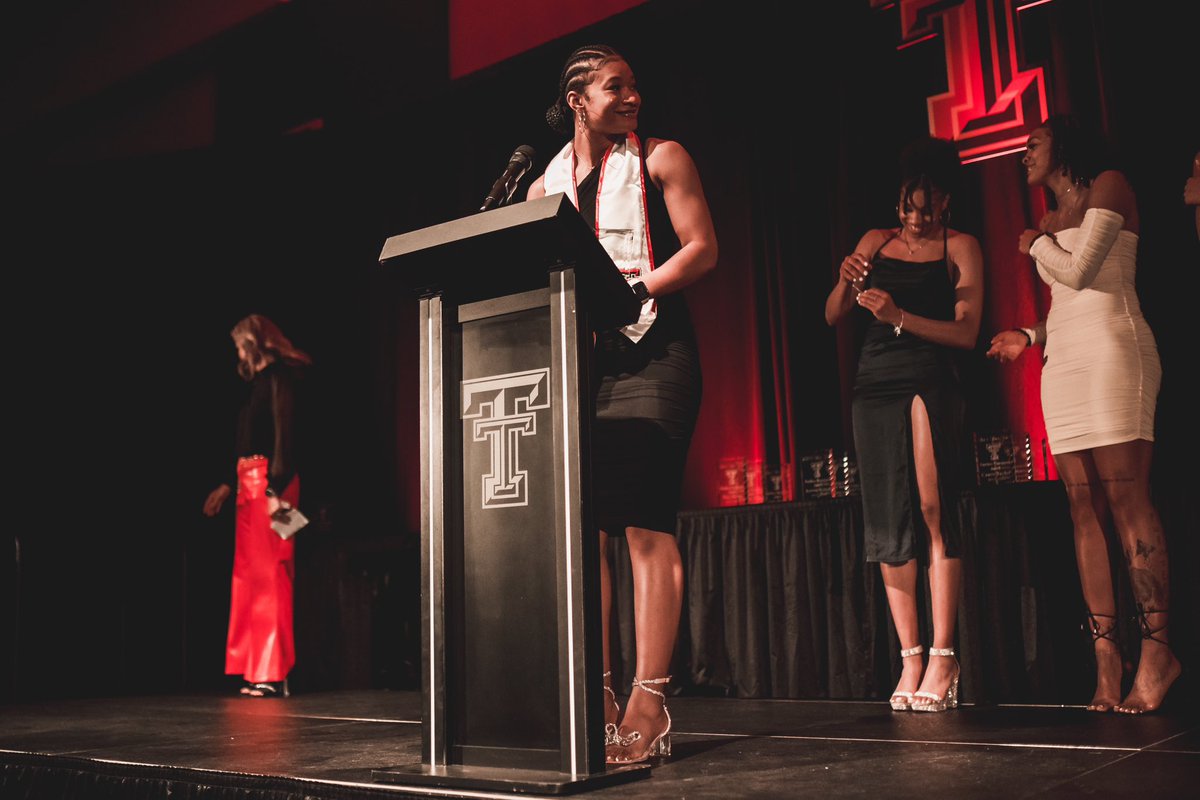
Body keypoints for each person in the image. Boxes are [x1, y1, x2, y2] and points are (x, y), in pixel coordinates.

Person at [527, 44, 718, 763]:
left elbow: (702, 248)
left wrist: (636, 290)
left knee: (642, 523)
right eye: (616, 86)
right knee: (589, 533)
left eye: (635, 84)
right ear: (578, 99)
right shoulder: (542, 184)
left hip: (655, 356)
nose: (632, 96)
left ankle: (651, 698)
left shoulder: (663, 158)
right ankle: (598, 692)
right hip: (587, 366)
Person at [986, 115, 1180, 714]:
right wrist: (1028, 332)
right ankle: (1106, 663)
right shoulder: (1050, 216)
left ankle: (1157, 654)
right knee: (1081, 508)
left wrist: (1035, 244)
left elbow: (1085, 272)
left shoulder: (1109, 187)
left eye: (1033, 143)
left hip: (1115, 354)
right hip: (1065, 361)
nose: (1025, 154)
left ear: (1064, 145)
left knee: (1127, 499)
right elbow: (1067, 303)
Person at [825, 136, 983, 713]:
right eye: (907, 206)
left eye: (926, 207)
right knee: (888, 520)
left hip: (929, 378)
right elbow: (833, 314)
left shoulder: (960, 246)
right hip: (874, 383)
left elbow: (967, 332)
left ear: (944, 200)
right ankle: (910, 655)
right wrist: (846, 280)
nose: (915, 218)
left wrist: (900, 316)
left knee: (934, 510)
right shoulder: (875, 241)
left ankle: (945, 654)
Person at [202, 314, 311, 698]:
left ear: (254, 343)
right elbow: (247, 442)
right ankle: (254, 669)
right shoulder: (255, 387)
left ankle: (273, 671)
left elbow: (284, 439)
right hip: (248, 486)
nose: (238, 353)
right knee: (247, 578)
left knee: (272, 576)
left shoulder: (280, 378)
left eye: (239, 345)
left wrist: (274, 491)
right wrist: (228, 486)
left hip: (272, 484)